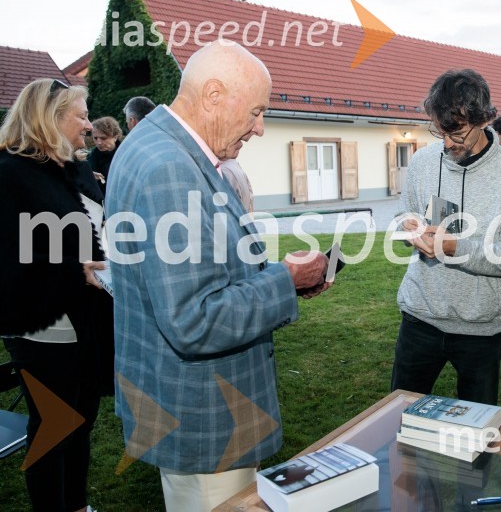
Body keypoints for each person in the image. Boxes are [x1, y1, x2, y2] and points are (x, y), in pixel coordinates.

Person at [105, 41, 332, 511]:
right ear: (213, 95)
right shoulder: (171, 169)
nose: (260, 128)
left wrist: (283, 277)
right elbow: (194, 319)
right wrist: (284, 281)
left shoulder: (158, 147)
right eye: (256, 112)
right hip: (205, 418)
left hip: (186, 405)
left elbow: (195, 275)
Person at [0, 78, 112, 512]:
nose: (88, 124)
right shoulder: (9, 173)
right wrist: (72, 269)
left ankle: (78, 506)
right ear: (49, 117)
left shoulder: (76, 168)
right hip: (42, 324)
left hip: (90, 314)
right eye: (81, 115)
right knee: (53, 427)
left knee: (82, 420)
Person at [391, 69, 501, 405]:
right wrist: (410, 229)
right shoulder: (422, 161)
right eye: (440, 132)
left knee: (477, 427)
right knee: (401, 416)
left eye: (456, 132)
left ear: (485, 119)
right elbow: (403, 215)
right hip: (419, 317)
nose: (447, 143)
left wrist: (452, 247)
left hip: (480, 328)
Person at [88, 116, 123, 192]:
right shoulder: (90, 158)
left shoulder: (124, 155)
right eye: (95, 138)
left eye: (103, 138)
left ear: (115, 137)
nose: (99, 142)